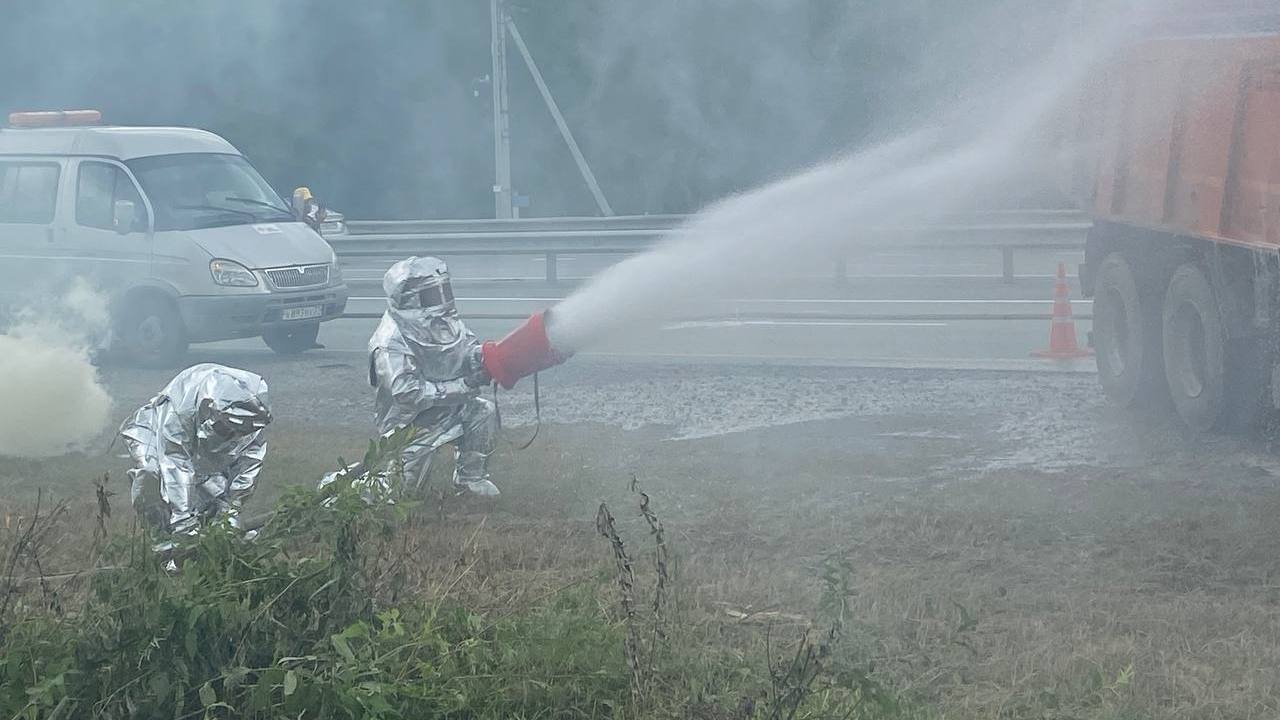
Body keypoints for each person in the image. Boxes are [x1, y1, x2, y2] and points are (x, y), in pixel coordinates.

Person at [368, 256, 498, 497]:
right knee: (399, 496)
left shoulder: (445, 322)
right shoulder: (391, 341)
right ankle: (346, 488)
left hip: (449, 409)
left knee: (484, 412)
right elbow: (407, 392)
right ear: (410, 298)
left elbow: (465, 349)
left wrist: (486, 358)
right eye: (432, 293)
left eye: (443, 289)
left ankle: (470, 479)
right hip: (409, 425)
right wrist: (464, 385)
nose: (441, 298)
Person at [118, 364, 271, 536]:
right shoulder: (182, 411)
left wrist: (230, 508)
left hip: (201, 454)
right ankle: (163, 541)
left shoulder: (251, 417)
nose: (231, 436)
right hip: (154, 432)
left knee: (213, 495)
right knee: (152, 477)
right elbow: (175, 461)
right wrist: (183, 520)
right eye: (226, 430)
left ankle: (209, 537)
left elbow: (250, 463)